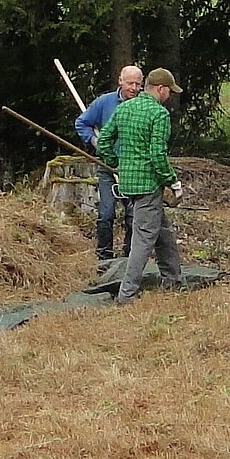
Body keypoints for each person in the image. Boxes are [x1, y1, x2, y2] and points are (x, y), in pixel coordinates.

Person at [96, 68, 185, 305]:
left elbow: (103, 142)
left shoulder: (124, 108)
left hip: (128, 183)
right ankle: (126, 295)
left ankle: (173, 280)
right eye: (169, 91)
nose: (169, 96)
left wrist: (117, 163)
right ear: (160, 89)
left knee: (162, 230)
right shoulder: (159, 114)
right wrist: (172, 180)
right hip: (148, 186)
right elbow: (158, 155)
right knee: (143, 240)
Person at [74, 65, 144, 272]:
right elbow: (82, 123)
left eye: (137, 84)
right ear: (120, 81)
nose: (133, 88)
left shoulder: (143, 105)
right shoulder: (105, 103)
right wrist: (94, 141)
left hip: (133, 169)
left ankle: (130, 259)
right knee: (106, 214)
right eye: (130, 83)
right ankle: (104, 260)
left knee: (133, 215)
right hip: (106, 166)